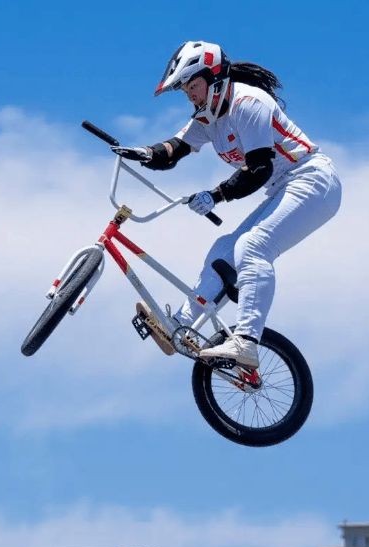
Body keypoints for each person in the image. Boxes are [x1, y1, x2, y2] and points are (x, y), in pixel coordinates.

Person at [112, 41, 342, 369]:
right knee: (224, 250)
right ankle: (181, 326)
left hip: (313, 180)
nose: (190, 95)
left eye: (193, 85)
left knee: (252, 247)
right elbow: (174, 148)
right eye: (185, 90)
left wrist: (216, 195)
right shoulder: (209, 119)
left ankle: (246, 341)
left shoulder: (248, 103)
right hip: (283, 189)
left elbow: (259, 169)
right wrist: (145, 154)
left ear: (214, 78)